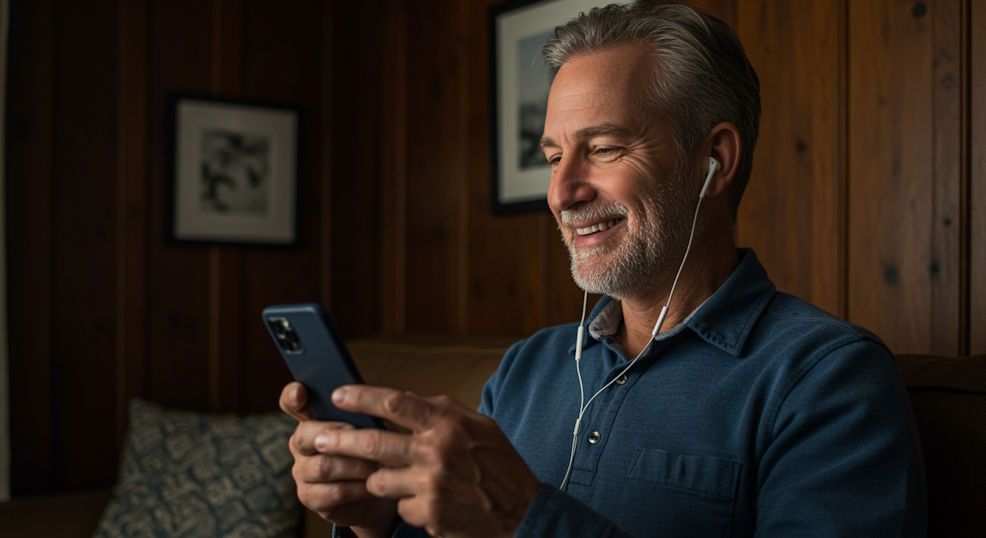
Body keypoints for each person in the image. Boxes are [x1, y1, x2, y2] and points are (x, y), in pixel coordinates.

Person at [279, 3, 927, 536]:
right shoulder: (526, 370)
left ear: (716, 160)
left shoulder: (825, 380)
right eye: (555, 155)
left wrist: (527, 519)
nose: (562, 192)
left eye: (604, 148)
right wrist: (377, 520)